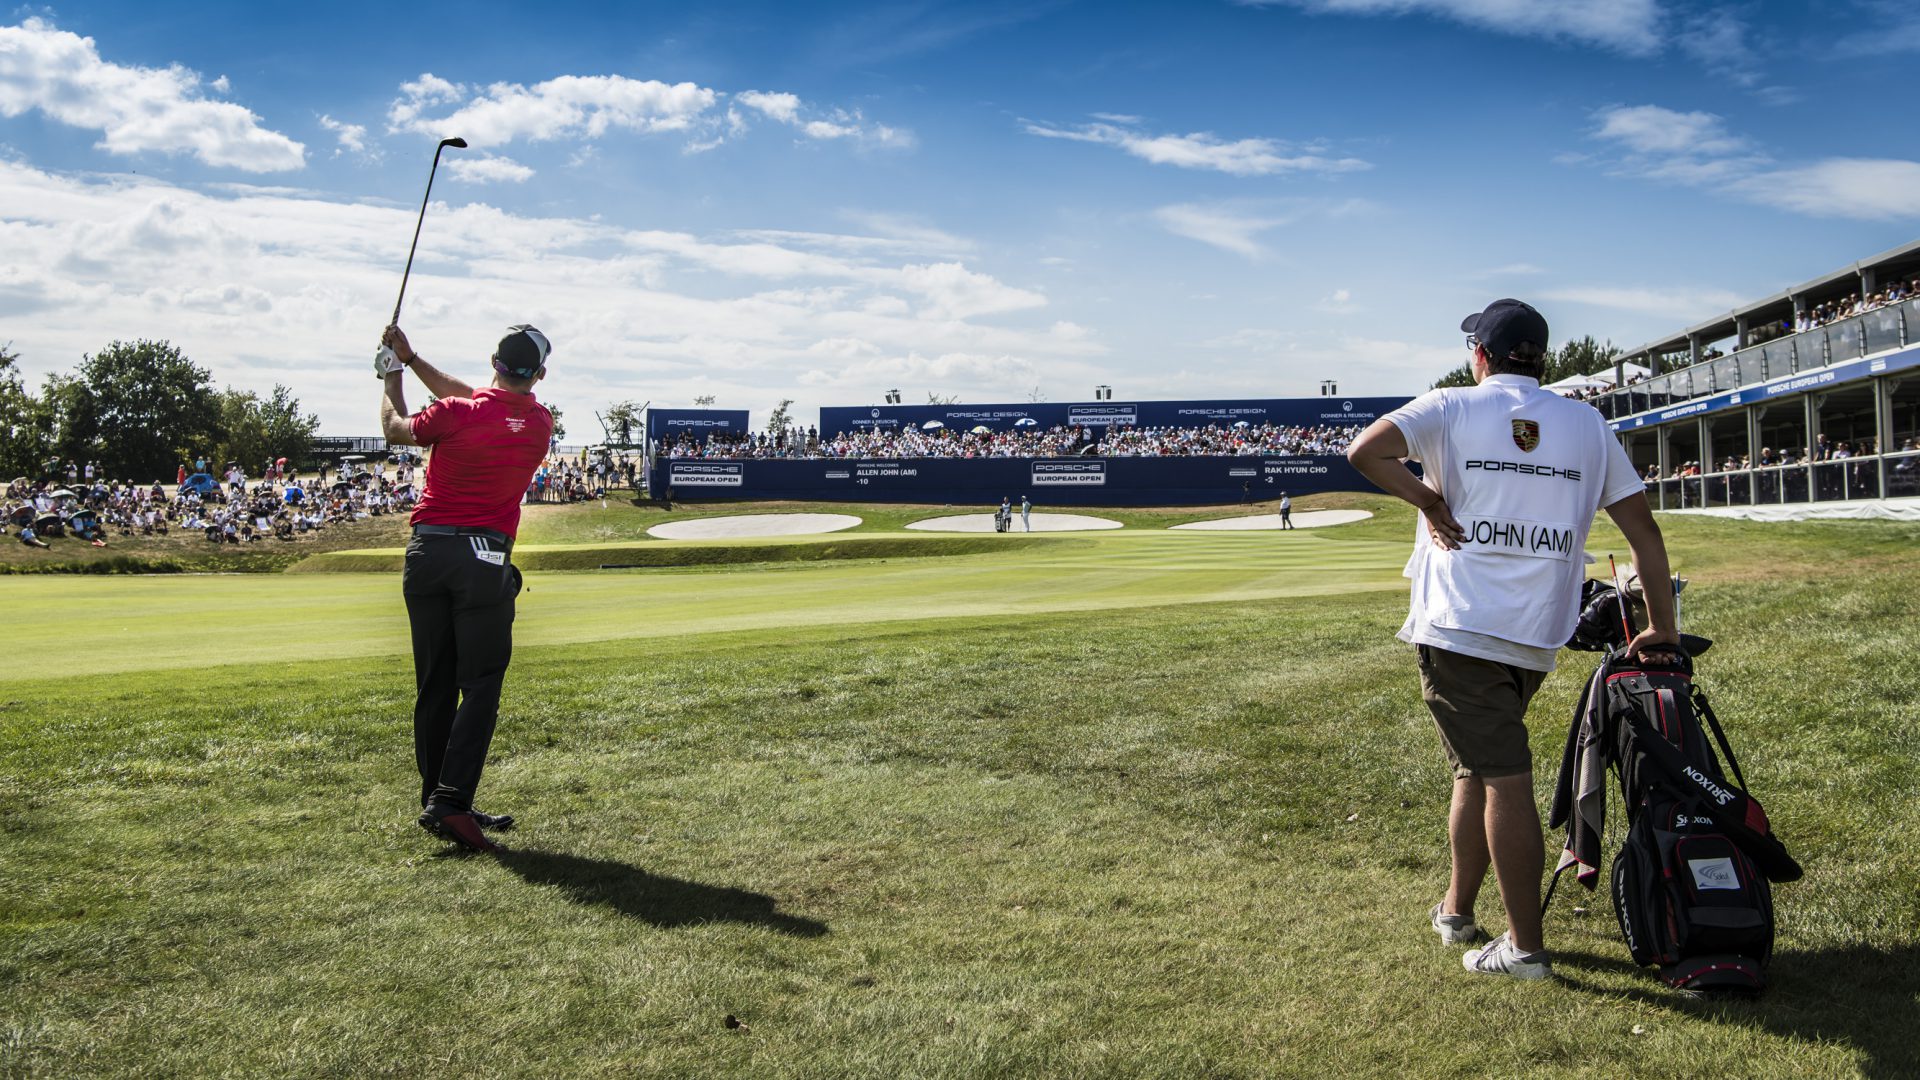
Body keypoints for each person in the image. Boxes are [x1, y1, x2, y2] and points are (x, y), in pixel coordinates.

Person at [1346, 298, 1679, 981]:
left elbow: (1364, 451)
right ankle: (1456, 910)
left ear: (1480, 356)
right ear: (1542, 358)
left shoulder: (1451, 405)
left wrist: (1430, 501)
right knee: (1476, 765)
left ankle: (1525, 949)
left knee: (1502, 776)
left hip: (1461, 626)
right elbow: (1644, 533)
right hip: (1535, 634)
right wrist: (1662, 625)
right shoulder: (1585, 422)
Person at [379, 321, 555, 854]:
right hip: (482, 561)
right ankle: (451, 802)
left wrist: (390, 379)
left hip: (427, 555)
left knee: (435, 684)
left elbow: (395, 429)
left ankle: (440, 799)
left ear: (494, 363)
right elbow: (479, 399)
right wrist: (410, 360)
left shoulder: (456, 414)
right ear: (539, 374)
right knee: (480, 683)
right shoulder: (540, 422)